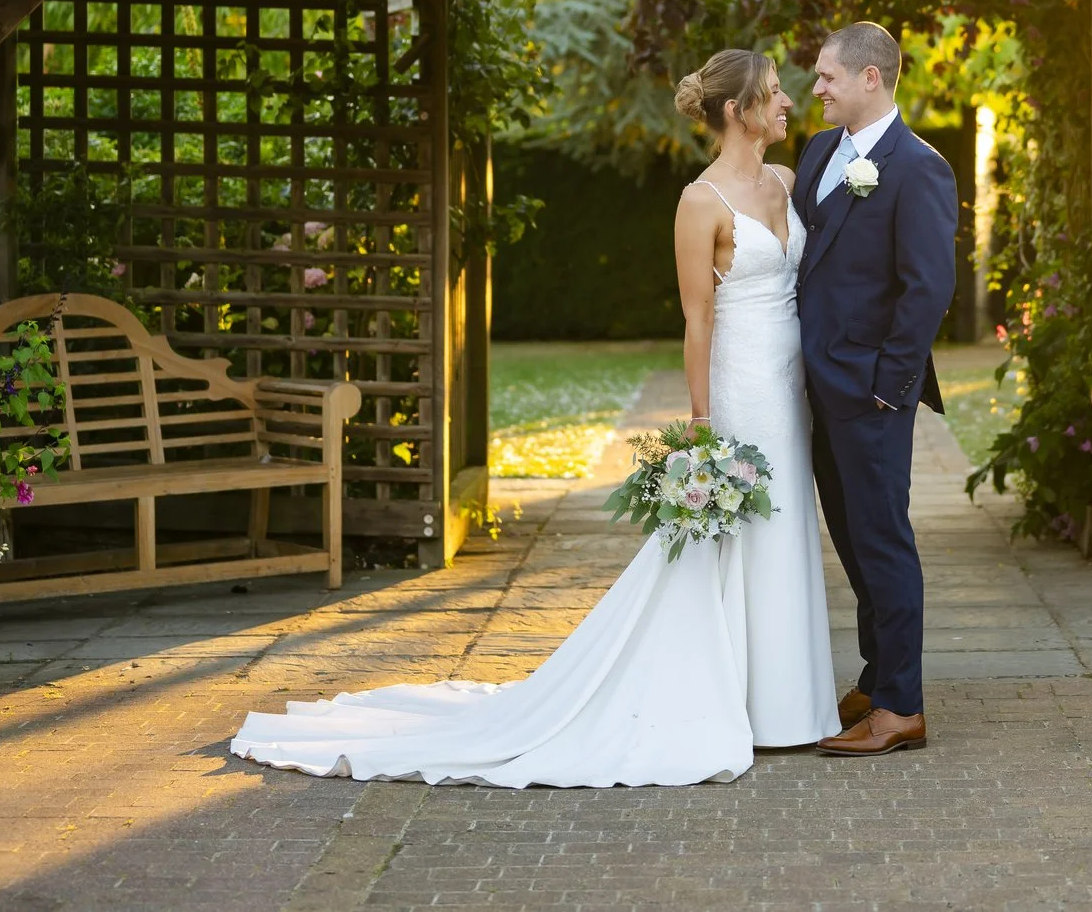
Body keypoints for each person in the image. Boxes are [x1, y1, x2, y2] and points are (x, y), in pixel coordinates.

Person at [229, 49, 836, 786]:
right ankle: (736, 703)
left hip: (789, 385)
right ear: (738, 111)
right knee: (739, 535)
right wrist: (702, 421)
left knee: (787, 528)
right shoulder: (699, 201)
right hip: (741, 386)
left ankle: (790, 706)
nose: (785, 102)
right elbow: (696, 318)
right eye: (772, 93)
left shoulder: (789, 180)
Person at [792, 21, 959, 758]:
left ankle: (902, 706)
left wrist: (891, 388)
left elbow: (928, 289)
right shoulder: (818, 152)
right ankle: (876, 672)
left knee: (885, 540)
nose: (816, 88)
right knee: (854, 540)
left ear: (871, 78)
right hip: (815, 388)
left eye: (827, 76)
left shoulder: (919, 166)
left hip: (871, 393)